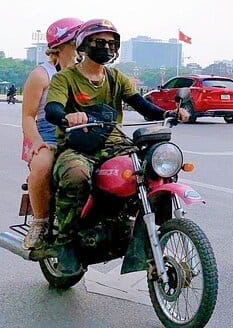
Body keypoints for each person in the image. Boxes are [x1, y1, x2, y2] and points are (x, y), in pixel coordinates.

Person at [44, 19, 189, 275]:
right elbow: (52, 109)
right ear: (83, 45)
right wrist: (67, 116)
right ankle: (66, 243)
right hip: (79, 145)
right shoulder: (65, 78)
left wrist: (169, 113)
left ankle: (143, 228)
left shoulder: (115, 78)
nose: (107, 47)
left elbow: (142, 106)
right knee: (76, 174)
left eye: (112, 43)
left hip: (115, 143)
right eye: (100, 42)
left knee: (152, 168)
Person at [20, 17, 84, 249]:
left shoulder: (87, 72)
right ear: (61, 45)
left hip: (80, 133)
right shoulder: (42, 75)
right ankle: (40, 221)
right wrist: (37, 142)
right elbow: (28, 116)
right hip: (47, 133)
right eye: (78, 41)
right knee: (42, 165)